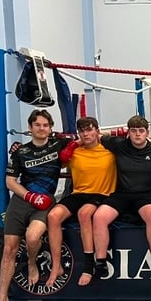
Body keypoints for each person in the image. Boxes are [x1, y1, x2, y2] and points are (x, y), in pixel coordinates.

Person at [0, 109, 72, 301]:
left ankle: (31, 261)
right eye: (37, 125)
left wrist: (119, 134)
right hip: (22, 200)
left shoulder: (58, 145)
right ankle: (2, 298)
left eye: (45, 125)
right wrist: (29, 196)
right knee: (9, 248)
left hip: (45, 201)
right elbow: (10, 181)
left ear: (50, 127)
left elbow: (88, 137)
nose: (41, 128)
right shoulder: (20, 152)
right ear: (30, 127)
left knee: (32, 236)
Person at [90, 115, 151, 283]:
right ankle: (100, 262)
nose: (137, 134)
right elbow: (94, 136)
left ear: (147, 133)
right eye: (133, 131)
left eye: (141, 131)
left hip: (147, 194)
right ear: (128, 132)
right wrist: (117, 132)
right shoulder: (118, 144)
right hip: (122, 193)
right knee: (99, 217)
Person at [45, 117, 116, 287]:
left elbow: (133, 138)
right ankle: (56, 266)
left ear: (97, 131)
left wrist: (105, 135)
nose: (86, 134)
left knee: (84, 214)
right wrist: (73, 145)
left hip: (102, 194)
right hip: (78, 194)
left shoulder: (110, 150)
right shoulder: (74, 152)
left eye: (89, 130)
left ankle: (88, 266)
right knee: (53, 216)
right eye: (82, 131)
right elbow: (59, 159)